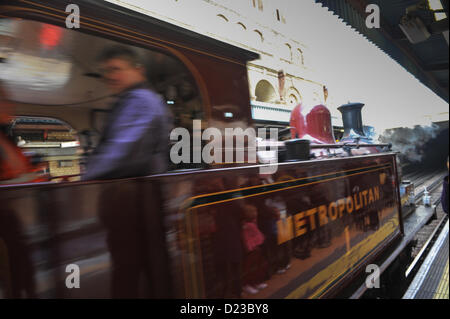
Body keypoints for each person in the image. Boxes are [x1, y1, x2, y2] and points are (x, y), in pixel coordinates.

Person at [82, 45, 170, 180]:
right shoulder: (136, 99)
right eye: (106, 71)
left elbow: (121, 154)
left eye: (116, 69)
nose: (110, 76)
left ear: (139, 70)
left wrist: (86, 181)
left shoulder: (140, 100)